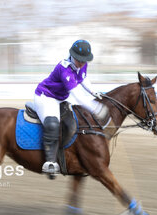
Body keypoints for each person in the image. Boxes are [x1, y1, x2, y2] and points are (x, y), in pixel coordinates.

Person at [33, 40, 108, 175]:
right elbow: (78, 95)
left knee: (75, 121)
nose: (82, 63)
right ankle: (50, 162)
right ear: (72, 55)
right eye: (79, 60)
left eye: (84, 61)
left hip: (61, 97)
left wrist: (93, 92)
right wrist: (96, 108)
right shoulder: (64, 69)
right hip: (46, 97)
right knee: (53, 124)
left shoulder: (82, 64)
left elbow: (83, 78)